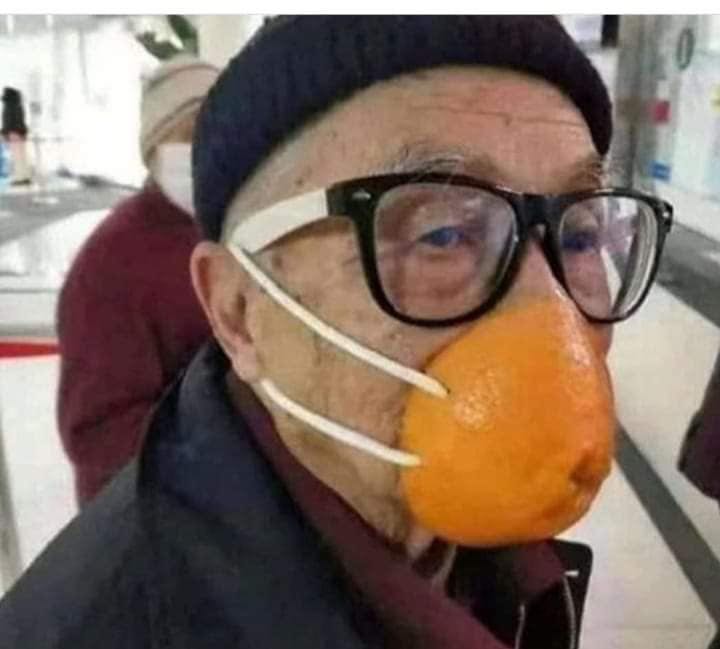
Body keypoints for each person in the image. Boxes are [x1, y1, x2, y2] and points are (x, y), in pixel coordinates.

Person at [0, 17, 673, 648]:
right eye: (442, 233)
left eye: (580, 235)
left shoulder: (492, 540)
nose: (555, 316)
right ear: (238, 310)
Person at [56, 56, 218, 505]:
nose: (208, 148)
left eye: (217, 131)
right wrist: (225, 443)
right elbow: (97, 431)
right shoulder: (111, 263)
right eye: (190, 133)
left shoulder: (225, 225)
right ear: (155, 150)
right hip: (153, 511)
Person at [1, 87, 31, 185]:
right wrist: (23, 133)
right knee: (22, 157)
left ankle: (20, 178)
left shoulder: (9, 106)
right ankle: (25, 177)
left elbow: (8, 121)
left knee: (17, 157)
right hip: (20, 133)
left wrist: (5, 133)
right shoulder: (18, 104)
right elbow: (20, 121)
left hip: (13, 134)